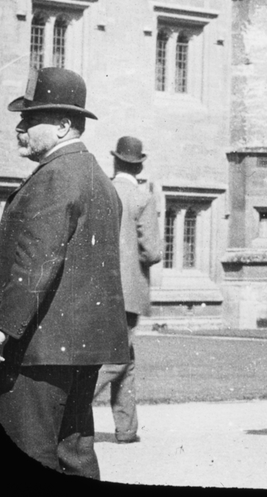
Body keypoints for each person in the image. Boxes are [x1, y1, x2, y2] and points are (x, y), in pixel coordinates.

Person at [0, 68, 129, 477]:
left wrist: (4, 327)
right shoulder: (99, 178)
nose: (19, 128)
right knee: (75, 455)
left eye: (31, 120)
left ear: (64, 125)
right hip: (81, 348)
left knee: (29, 451)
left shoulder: (56, 177)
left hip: (38, 348)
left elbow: (37, 262)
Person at [93, 135, 163, 445]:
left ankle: (127, 428)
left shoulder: (99, 191)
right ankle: (69, 407)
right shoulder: (141, 198)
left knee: (127, 359)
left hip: (97, 288)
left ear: (115, 161)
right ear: (139, 165)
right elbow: (152, 252)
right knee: (118, 358)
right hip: (129, 293)